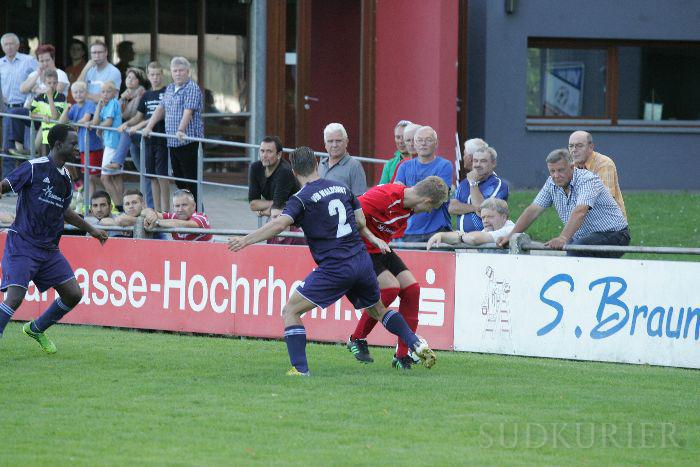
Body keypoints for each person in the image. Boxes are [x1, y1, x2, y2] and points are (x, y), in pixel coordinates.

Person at [227, 146, 437, 376]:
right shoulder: (342, 188)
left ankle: (300, 369)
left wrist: (247, 240)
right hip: (361, 261)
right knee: (378, 309)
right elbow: (359, 222)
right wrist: (373, 239)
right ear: (317, 165)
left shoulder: (301, 199)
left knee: (291, 311)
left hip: (335, 267)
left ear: (295, 172)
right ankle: (414, 342)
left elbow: (279, 224)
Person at [0, 124, 108, 351]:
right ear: (58, 144)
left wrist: (92, 229)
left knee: (73, 294)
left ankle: (36, 329)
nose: (77, 148)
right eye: (73, 144)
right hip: (23, 243)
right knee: (15, 296)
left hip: (48, 250)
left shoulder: (66, 178)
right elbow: (4, 185)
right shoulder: (34, 167)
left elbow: (65, 210)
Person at [347, 176, 449, 369]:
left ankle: (402, 354)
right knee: (390, 288)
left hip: (380, 248)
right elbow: (351, 213)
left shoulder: (408, 206)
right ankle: (357, 338)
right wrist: (370, 238)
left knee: (412, 289)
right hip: (361, 248)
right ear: (427, 201)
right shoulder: (384, 197)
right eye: (431, 208)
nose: (429, 212)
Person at [497, 148, 630, 258]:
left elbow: (580, 211)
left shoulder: (587, 180)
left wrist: (563, 238)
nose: (556, 175)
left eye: (561, 170)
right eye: (552, 171)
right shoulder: (551, 182)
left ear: (572, 167)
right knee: (571, 251)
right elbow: (533, 210)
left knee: (576, 250)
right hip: (584, 236)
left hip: (615, 234)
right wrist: (510, 236)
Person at [142, 57, 204, 202]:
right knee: (179, 181)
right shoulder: (170, 88)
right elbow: (160, 109)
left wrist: (181, 130)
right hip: (172, 142)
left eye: (181, 70)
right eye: (175, 71)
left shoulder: (192, 88)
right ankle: (185, 212)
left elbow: (188, 111)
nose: (178, 74)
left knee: (191, 181)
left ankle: (198, 214)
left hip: (188, 142)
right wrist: (149, 126)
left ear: (188, 72)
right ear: (171, 72)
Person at [394, 126, 453, 242]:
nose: (423, 144)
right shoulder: (404, 167)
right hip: (408, 231)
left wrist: (409, 196)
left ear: (436, 144)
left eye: (428, 140)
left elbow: (438, 197)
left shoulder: (445, 165)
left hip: (438, 231)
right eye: (419, 140)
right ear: (414, 145)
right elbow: (397, 197)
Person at [128, 62, 169, 211]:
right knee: (151, 176)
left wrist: (139, 126)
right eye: (152, 75)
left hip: (162, 138)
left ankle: (165, 210)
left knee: (162, 176)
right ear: (148, 75)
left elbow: (159, 114)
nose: (155, 78)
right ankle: (156, 210)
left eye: (158, 74)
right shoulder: (146, 95)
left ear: (162, 74)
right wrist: (126, 124)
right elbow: (139, 116)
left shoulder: (167, 92)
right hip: (148, 140)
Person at [248, 136, 302, 245]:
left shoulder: (285, 172)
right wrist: (276, 206)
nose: (264, 155)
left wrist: (263, 209)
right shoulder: (255, 168)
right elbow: (253, 204)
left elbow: (277, 209)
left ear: (279, 154)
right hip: (278, 217)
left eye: (269, 152)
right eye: (262, 151)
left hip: (295, 222)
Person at [1, 33, 38, 174]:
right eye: (6, 44)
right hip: (7, 109)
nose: (9, 47)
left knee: (26, 147)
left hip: (25, 108)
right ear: (2, 47)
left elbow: (42, 76)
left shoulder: (28, 60)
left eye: (12, 44)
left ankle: (25, 179)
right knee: (7, 147)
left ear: (18, 45)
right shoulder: (0, 64)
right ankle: (7, 183)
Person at [568, 130, 627, 218]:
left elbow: (605, 201)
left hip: (610, 224)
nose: (574, 150)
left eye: (579, 146)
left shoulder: (604, 164)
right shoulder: (572, 167)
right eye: (571, 146)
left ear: (591, 147)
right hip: (585, 220)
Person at [450, 145, 508, 232]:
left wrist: (473, 183)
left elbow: (485, 211)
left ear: (493, 163)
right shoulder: (464, 183)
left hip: (486, 238)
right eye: (475, 161)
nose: (477, 165)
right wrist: (474, 208)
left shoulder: (498, 184)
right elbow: (452, 207)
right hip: (462, 238)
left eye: (483, 161)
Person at [59, 81, 103, 195]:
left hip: (93, 146)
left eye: (81, 92)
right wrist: (66, 109)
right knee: (88, 176)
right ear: (72, 94)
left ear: (86, 93)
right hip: (83, 147)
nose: (78, 94)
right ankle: (89, 201)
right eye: (75, 92)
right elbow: (62, 122)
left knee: (93, 176)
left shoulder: (89, 104)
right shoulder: (73, 106)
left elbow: (86, 118)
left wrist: (73, 123)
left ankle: (108, 193)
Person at [428, 198, 514, 249]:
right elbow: (468, 237)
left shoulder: (510, 230)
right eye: (483, 217)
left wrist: (460, 236)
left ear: (504, 217)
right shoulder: (487, 231)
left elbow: (473, 238)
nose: (485, 221)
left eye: (490, 217)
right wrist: (441, 236)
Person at [91, 81, 123, 211]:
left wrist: (98, 128)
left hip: (113, 144)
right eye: (102, 91)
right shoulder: (105, 105)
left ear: (114, 93)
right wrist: (98, 106)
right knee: (115, 177)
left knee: (104, 178)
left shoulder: (113, 102)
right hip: (110, 143)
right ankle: (121, 206)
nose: (105, 94)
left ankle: (119, 207)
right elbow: (96, 121)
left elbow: (108, 122)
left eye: (108, 91)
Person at [142, 189, 212, 241]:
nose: (180, 209)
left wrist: (156, 222)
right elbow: (144, 211)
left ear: (193, 206)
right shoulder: (174, 216)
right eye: (177, 206)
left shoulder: (201, 217)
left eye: (184, 205)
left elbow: (183, 224)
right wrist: (151, 214)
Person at [318, 123, 367, 195]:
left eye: (338, 141)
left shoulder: (354, 166)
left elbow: (359, 200)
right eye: (330, 141)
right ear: (325, 144)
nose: (334, 145)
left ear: (346, 142)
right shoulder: (321, 164)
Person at [29, 69, 68, 155]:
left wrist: (50, 97)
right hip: (47, 136)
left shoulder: (61, 97)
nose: (52, 86)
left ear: (57, 83)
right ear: (44, 83)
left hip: (59, 137)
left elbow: (54, 116)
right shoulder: (39, 97)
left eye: (54, 83)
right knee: (48, 163)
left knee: (59, 164)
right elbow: (31, 114)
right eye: (49, 83)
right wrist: (42, 116)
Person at [378, 120, 412, 184]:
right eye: (398, 137)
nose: (400, 141)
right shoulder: (390, 164)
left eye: (404, 137)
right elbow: (382, 188)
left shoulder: (423, 161)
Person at [65, 39, 88, 103]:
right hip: (67, 104)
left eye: (78, 49)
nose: (74, 51)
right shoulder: (67, 69)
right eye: (72, 49)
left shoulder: (86, 68)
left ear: (83, 52)